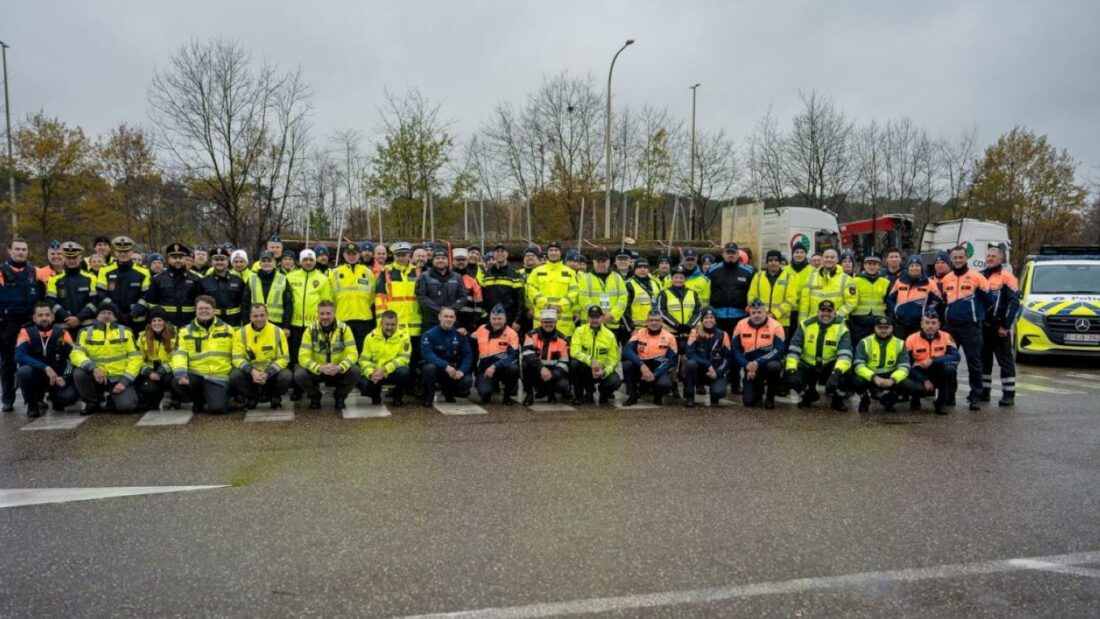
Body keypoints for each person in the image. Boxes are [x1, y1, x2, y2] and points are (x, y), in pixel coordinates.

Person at [940, 245, 993, 411]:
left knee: (974, 363)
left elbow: (989, 300)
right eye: (955, 258)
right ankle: (949, 396)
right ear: (951, 259)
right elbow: (943, 301)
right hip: (951, 328)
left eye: (960, 257)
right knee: (949, 362)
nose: (957, 260)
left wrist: (978, 316)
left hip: (971, 327)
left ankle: (975, 396)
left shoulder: (977, 277)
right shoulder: (946, 279)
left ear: (966, 258)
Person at [70, 301, 142, 414]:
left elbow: (136, 359)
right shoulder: (84, 332)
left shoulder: (126, 332)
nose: (106, 315)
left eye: (110, 313)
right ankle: (92, 403)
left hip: (118, 378)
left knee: (127, 406)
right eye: (103, 312)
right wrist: (94, 368)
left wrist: (125, 381)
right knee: (78, 373)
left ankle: (112, 400)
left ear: (115, 317)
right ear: (97, 316)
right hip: (96, 376)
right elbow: (75, 354)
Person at [170, 296, 236, 414]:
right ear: (195, 310)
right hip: (196, 374)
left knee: (217, 409)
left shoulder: (228, 330)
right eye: (200, 308)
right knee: (177, 382)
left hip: (219, 376)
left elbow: (235, 354)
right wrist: (181, 373)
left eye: (207, 308)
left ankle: (222, 396)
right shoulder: (184, 331)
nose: (203, 311)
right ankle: (197, 400)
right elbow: (179, 354)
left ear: (214, 310)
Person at [785, 300, 853, 412]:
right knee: (787, 371)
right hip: (809, 365)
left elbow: (845, 355)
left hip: (828, 366)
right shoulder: (805, 325)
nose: (825, 314)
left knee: (847, 372)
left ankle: (837, 399)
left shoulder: (842, 328)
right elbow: (794, 350)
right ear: (817, 312)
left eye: (829, 311)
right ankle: (808, 394)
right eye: (822, 311)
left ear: (834, 312)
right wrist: (791, 371)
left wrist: (837, 372)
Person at [15, 302, 78, 417]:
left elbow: (73, 357)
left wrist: (65, 378)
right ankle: (32, 405)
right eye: (40, 315)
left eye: (47, 315)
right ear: (34, 318)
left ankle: (56, 399)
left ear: (52, 317)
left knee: (68, 398)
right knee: (24, 372)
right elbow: (19, 356)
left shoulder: (62, 333)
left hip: (57, 377)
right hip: (37, 375)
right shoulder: (25, 332)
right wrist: (45, 367)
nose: (44, 318)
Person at [294, 300, 360, 410]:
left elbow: (353, 354)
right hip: (318, 370)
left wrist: (339, 367)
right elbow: (302, 357)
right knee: (299, 374)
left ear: (334, 314)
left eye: (328, 313)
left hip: (337, 370)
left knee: (356, 371)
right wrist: (319, 368)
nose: (325, 317)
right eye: (322, 314)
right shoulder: (310, 330)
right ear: (317, 314)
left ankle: (340, 396)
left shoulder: (344, 329)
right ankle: (315, 396)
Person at [228, 303, 293, 410]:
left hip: (271, 374)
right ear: (250, 317)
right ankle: (253, 396)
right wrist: (252, 371)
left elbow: (284, 358)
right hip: (251, 374)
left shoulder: (278, 332)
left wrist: (268, 373)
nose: (259, 319)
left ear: (267, 315)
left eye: (262, 315)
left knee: (286, 376)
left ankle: (274, 396)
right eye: (255, 316)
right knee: (235, 375)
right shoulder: (240, 333)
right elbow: (237, 358)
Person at [1, 236, 40, 412]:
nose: (20, 252)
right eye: (17, 249)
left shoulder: (34, 272)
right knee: (8, 362)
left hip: (29, 323)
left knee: (32, 361)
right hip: (7, 324)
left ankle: (35, 399)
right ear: (9, 250)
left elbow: (41, 296)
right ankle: (8, 399)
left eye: (24, 249)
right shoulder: (2, 271)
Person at [980, 245, 1019, 406]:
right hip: (983, 326)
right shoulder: (980, 276)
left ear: (1001, 259)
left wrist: (1005, 325)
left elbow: (1014, 303)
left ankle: (1008, 394)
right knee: (984, 360)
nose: (990, 258)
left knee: (1005, 361)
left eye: (993, 256)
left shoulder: (1007, 277)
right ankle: (984, 392)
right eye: (988, 256)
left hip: (999, 327)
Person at [375, 241, 423, 373]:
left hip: (415, 325)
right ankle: (398, 388)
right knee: (395, 358)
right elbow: (380, 299)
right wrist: (381, 323)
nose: (401, 258)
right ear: (394, 256)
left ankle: (412, 387)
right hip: (395, 325)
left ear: (409, 255)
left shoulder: (418, 272)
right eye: (398, 255)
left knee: (414, 358)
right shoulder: (386, 272)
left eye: (404, 255)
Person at [732, 300, 786, 409]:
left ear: (765, 312)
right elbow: (735, 349)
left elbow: (778, 350)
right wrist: (746, 364)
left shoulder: (776, 326)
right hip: (750, 365)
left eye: (759, 312)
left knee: (774, 367)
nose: (756, 315)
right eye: (754, 313)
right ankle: (758, 387)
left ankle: (770, 397)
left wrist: (758, 362)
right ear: (750, 313)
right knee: (748, 402)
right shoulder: (741, 324)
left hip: (768, 364)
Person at [287, 248, 333, 374]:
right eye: (305, 260)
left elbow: (326, 302)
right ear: (300, 261)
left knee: (312, 354)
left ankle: (311, 382)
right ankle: (296, 387)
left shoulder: (322, 278)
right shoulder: (290, 277)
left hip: (313, 325)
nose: (308, 262)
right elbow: (287, 301)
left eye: (311, 259)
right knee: (295, 355)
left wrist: (326, 322)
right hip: (294, 324)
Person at [853, 316, 913, 413]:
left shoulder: (900, 343)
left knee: (909, 385)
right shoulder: (864, 342)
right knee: (856, 380)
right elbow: (858, 365)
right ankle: (865, 399)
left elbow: (904, 367)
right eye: (880, 327)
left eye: (886, 327)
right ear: (875, 328)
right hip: (871, 376)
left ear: (892, 328)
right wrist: (874, 378)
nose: (883, 330)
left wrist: (893, 379)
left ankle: (891, 398)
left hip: (890, 376)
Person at [905, 311, 960, 415]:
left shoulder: (946, 337)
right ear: (921, 324)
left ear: (938, 325)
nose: (930, 326)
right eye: (927, 322)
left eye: (933, 323)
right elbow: (907, 365)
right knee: (914, 384)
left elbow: (956, 357)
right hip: (919, 372)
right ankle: (915, 398)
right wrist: (924, 380)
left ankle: (941, 403)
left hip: (937, 371)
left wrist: (934, 360)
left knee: (949, 370)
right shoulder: (911, 339)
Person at [622, 310, 679, 407]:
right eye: (651, 320)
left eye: (657, 320)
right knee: (627, 364)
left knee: (665, 384)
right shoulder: (639, 334)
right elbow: (626, 350)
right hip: (642, 368)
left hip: (659, 369)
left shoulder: (670, 337)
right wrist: (642, 366)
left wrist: (655, 374)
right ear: (646, 322)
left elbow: (671, 361)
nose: (654, 323)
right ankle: (633, 396)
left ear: (661, 321)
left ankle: (658, 397)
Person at [419, 307, 473, 406]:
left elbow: (467, 355)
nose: (449, 319)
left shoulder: (460, 335)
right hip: (439, 369)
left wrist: (462, 371)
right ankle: (429, 396)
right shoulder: (429, 334)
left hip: (453, 370)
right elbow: (427, 354)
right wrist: (445, 366)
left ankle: (449, 392)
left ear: (455, 318)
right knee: (429, 368)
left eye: (451, 317)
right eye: (446, 316)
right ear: (440, 317)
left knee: (467, 381)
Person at [357, 310, 412, 406]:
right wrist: (371, 374)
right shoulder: (370, 337)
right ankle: (375, 395)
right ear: (381, 323)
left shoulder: (404, 337)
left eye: (393, 325)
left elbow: (404, 359)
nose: (390, 327)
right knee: (363, 384)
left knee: (404, 373)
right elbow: (363, 360)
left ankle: (397, 396)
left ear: (397, 323)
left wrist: (385, 369)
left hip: (392, 372)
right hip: (375, 374)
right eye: (387, 324)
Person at [569, 305, 621, 405]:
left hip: (601, 369)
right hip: (586, 368)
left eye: (597, 317)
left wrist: (604, 371)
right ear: (588, 318)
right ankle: (580, 396)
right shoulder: (579, 331)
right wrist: (591, 360)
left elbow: (614, 359)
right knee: (574, 364)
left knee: (615, 382)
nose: (595, 320)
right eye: (592, 317)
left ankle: (604, 393)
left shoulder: (610, 335)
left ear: (602, 318)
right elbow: (574, 351)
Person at [525, 241, 579, 337]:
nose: (553, 252)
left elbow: (574, 292)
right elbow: (531, 290)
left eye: (556, 250)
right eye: (551, 250)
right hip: (541, 325)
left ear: (560, 253)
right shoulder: (537, 272)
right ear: (547, 253)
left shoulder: (570, 272)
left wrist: (561, 306)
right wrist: (546, 305)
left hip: (564, 327)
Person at [96, 236, 151, 328]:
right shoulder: (104, 271)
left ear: (131, 252)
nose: (123, 254)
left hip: (136, 320)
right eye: (120, 251)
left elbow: (147, 295)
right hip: (112, 319)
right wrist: (115, 312)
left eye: (126, 251)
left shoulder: (144, 272)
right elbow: (101, 294)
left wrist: (133, 313)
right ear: (115, 252)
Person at [330, 242, 376, 351]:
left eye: (354, 254)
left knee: (362, 349)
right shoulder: (335, 273)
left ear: (359, 255)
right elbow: (331, 296)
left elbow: (372, 296)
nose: (351, 256)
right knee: (344, 350)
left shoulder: (368, 273)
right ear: (344, 255)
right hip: (343, 317)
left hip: (363, 318)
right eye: (349, 254)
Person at [45, 241, 98, 336]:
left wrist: (78, 318)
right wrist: (67, 318)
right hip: (63, 327)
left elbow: (94, 302)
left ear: (80, 257)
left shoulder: (91, 278)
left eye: (74, 257)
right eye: (68, 257)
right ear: (64, 258)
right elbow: (51, 302)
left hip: (86, 327)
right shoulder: (54, 280)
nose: (71, 260)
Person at [576, 248, 628, 343]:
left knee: (611, 355)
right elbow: (583, 299)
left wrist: (612, 315)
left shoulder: (617, 277)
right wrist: (597, 316)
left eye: (603, 261)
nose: (601, 264)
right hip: (591, 325)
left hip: (612, 325)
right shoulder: (585, 278)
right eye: (598, 261)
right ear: (593, 262)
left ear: (609, 262)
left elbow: (623, 299)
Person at [521, 309, 572, 406]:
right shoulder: (531, 335)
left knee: (563, 385)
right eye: (545, 322)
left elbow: (564, 364)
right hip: (537, 371)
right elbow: (528, 353)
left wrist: (552, 374)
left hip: (553, 374)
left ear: (556, 322)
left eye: (551, 321)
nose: (548, 324)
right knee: (525, 363)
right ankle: (529, 395)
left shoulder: (563, 339)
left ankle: (550, 392)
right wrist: (541, 368)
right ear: (540, 322)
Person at [472, 304, 520, 404]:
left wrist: (495, 366)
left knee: (514, 369)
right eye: (494, 319)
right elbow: (471, 341)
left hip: (502, 368)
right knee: (485, 394)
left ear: (505, 319)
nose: (496, 321)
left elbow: (512, 356)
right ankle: (486, 384)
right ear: (490, 319)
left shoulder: (512, 334)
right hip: (485, 369)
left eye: (499, 319)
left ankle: (507, 396)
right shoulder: (482, 329)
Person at [683, 307, 732, 408]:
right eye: (706, 317)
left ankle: (715, 394)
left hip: (715, 372)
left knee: (718, 392)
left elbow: (727, 358)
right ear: (702, 320)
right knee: (690, 364)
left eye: (711, 317)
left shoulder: (723, 335)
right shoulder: (694, 332)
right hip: (699, 372)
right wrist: (708, 364)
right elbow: (690, 353)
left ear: (715, 319)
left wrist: (717, 373)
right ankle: (690, 396)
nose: (708, 320)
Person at [146, 243, 202, 328]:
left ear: (185, 259)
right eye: (174, 258)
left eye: (180, 257)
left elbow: (201, 304)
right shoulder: (158, 279)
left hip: (190, 325)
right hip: (166, 326)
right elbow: (152, 305)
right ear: (168, 259)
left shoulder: (196, 279)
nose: (177, 260)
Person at [887, 255, 942, 340]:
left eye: (917, 266)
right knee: (899, 349)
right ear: (908, 267)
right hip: (901, 323)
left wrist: (926, 311)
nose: (914, 268)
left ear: (921, 268)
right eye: (912, 266)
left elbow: (938, 300)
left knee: (916, 349)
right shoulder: (900, 281)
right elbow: (890, 298)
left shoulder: (929, 283)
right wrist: (896, 309)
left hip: (918, 324)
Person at [416, 247, 468, 333]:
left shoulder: (457, 277)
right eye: (437, 258)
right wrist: (439, 310)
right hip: (430, 322)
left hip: (451, 321)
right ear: (432, 261)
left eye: (443, 258)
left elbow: (463, 296)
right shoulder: (424, 276)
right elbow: (421, 296)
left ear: (448, 261)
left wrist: (451, 310)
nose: (441, 260)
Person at [799, 248, 857, 323]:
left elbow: (851, 302)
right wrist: (802, 323)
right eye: (826, 257)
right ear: (822, 259)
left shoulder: (846, 279)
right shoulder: (811, 278)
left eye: (832, 257)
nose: (829, 259)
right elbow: (804, 303)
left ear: (837, 260)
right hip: (814, 322)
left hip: (836, 323)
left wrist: (837, 315)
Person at [134, 307, 175, 411]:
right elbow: (137, 359)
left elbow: (178, 358)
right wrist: (148, 372)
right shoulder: (142, 337)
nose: (157, 323)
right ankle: (153, 401)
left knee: (172, 380)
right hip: (151, 372)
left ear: (165, 322)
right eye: (154, 321)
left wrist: (162, 370)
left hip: (169, 371)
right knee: (148, 389)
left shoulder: (175, 335)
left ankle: (174, 399)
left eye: (160, 320)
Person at [748, 249, 794, 339]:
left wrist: (774, 314)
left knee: (780, 349)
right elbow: (751, 296)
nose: (773, 263)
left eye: (776, 260)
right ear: (767, 263)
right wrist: (762, 313)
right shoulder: (758, 276)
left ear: (780, 262)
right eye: (770, 260)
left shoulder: (789, 277)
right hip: (761, 320)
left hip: (781, 322)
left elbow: (790, 300)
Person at [247, 250, 294, 333]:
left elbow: (288, 305)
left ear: (274, 262)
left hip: (277, 324)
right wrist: (246, 323)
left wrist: (286, 326)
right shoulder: (252, 279)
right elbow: (245, 304)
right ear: (260, 263)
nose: (266, 263)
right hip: (255, 323)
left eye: (269, 261)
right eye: (264, 261)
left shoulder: (283, 279)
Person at [199, 248, 248, 327]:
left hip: (234, 324)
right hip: (212, 324)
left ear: (228, 261)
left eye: (222, 259)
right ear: (211, 262)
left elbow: (244, 304)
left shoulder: (238, 281)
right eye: (216, 260)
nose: (219, 262)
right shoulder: (204, 282)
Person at [849, 252, 890, 345]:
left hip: (878, 321)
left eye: (875, 264)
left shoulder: (885, 282)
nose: (872, 267)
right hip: (859, 322)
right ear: (864, 265)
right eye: (869, 264)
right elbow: (850, 301)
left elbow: (889, 303)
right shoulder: (855, 281)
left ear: (879, 266)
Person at [657, 266, 702, 352]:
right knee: (671, 360)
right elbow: (662, 312)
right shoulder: (664, 293)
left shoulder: (693, 293)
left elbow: (698, 311)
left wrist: (689, 325)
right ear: (671, 278)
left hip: (689, 334)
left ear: (685, 279)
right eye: (676, 277)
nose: (678, 280)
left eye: (681, 278)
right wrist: (677, 325)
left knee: (688, 359)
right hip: (670, 333)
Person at [481, 243, 525, 330]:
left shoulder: (514, 274)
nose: (500, 253)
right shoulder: (487, 274)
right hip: (491, 318)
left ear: (507, 254)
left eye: (502, 251)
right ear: (493, 254)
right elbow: (483, 296)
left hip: (509, 319)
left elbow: (520, 299)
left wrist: (517, 320)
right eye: (497, 251)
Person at [623, 258, 663, 334]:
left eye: (645, 267)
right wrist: (631, 329)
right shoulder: (629, 285)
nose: (642, 270)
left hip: (654, 327)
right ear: (634, 269)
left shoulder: (656, 283)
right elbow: (624, 310)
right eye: (639, 267)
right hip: (637, 328)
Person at [782, 244, 813, 333]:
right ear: (792, 254)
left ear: (806, 254)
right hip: (788, 310)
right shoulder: (785, 270)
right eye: (796, 252)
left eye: (802, 252)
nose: (799, 255)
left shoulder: (813, 271)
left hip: (805, 310)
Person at [451, 248, 484, 333]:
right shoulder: (446, 278)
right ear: (453, 261)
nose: (461, 262)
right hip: (449, 322)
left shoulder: (472, 280)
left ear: (467, 261)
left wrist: (474, 322)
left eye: (463, 259)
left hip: (468, 324)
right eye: (458, 259)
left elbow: (479, 303)